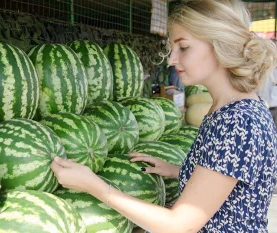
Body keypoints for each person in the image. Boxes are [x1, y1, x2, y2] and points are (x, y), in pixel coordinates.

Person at [51, 0, 277, 232]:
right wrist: (176, 170)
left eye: (184, 47)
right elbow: (231, 178)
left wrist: (93, 185)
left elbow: (179, 225)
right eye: (172, 49)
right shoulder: (234, 108)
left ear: (220, 44)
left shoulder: (237, 121)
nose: (171, 60)